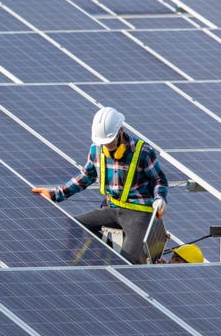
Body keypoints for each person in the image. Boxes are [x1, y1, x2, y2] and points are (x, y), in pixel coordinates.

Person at [32, 107, 169, 264]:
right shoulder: (96, 149)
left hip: (138, 213)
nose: (107, 146)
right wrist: (55, 194)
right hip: (111, 208)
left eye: (109, 141)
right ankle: (70, 266)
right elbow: (86, 176)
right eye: (103, 142)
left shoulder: (144, 151)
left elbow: (159, 179)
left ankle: (121, 273)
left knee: (128, 262)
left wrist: (160, 198)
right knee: (76, 224)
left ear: (121, 131)